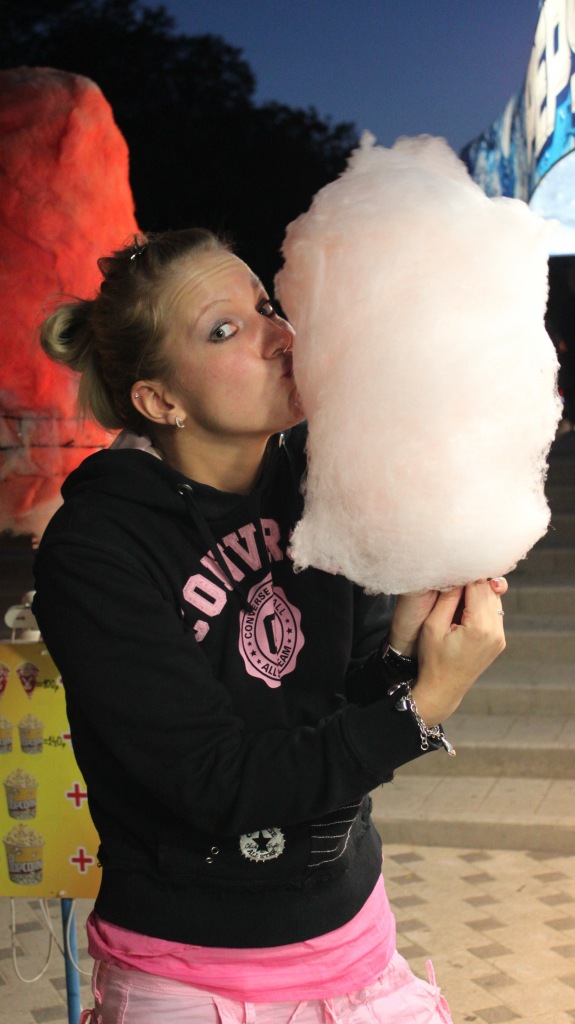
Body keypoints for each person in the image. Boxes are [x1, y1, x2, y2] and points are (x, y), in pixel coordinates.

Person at [33, 228, 507, 1024]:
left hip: (355, 933)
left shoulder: (322, 482)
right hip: (193, 973)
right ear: (160, 401)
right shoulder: (97, 549)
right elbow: (214, 782)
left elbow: (339, 703)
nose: (279, 335)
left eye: (264, 306)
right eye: (224, 330)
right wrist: (424, 708)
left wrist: (404, 646)